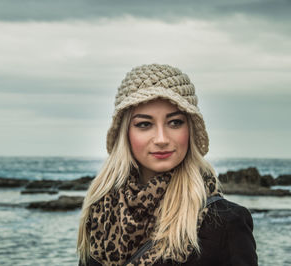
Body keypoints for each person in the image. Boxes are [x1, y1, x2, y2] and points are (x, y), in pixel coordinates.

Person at [77, 64, 258, 266]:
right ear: (125, 133)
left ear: (190, 129)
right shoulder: (101, 214)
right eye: (144, 124)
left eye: (175, 122)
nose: (162, 139)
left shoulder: (225, 221)